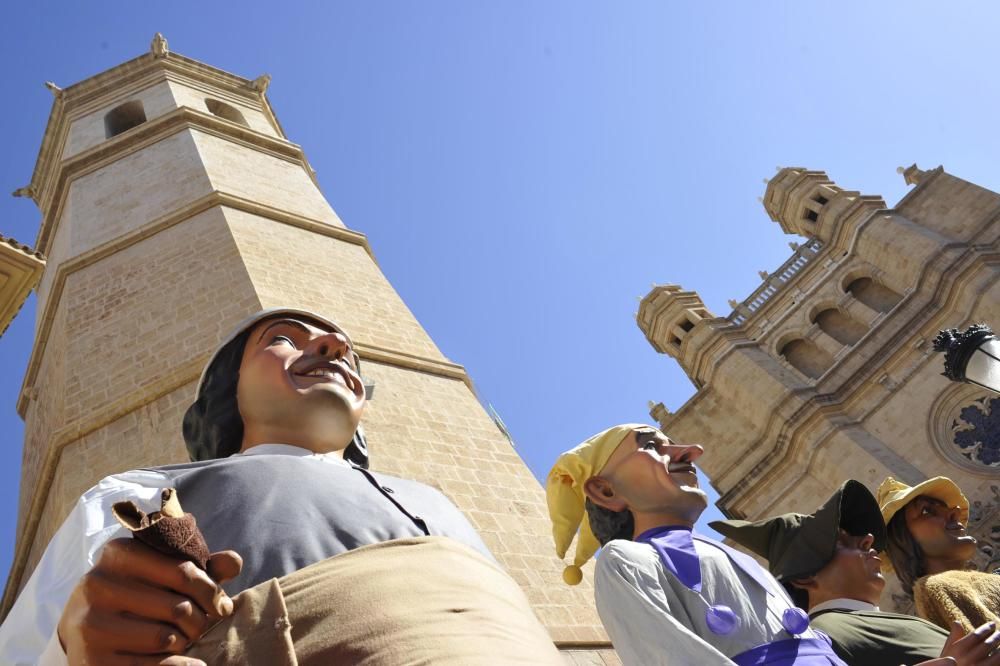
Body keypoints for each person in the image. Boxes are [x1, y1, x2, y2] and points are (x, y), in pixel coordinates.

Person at [0, 308, 562, 666]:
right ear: (229, 390)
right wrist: (69, 647)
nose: (331, 348)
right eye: (284, 339)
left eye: (343, 347)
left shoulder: (436, 502)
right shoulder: (142, 494)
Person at [546, 423, 847, 665]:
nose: (691, 451)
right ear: (605, 491)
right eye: (651, 446)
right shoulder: (625, 560)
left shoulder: (725, 554)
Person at [714, 480, 1000, 666]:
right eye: (842, 541)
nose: (867, 540)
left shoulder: (867, 623)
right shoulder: (826, 635)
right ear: (804, 578)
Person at [878, 476, 1000, 633]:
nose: (954, 512)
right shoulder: (935, 588)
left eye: (944, 506)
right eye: (927, 511)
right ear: (903, 540)